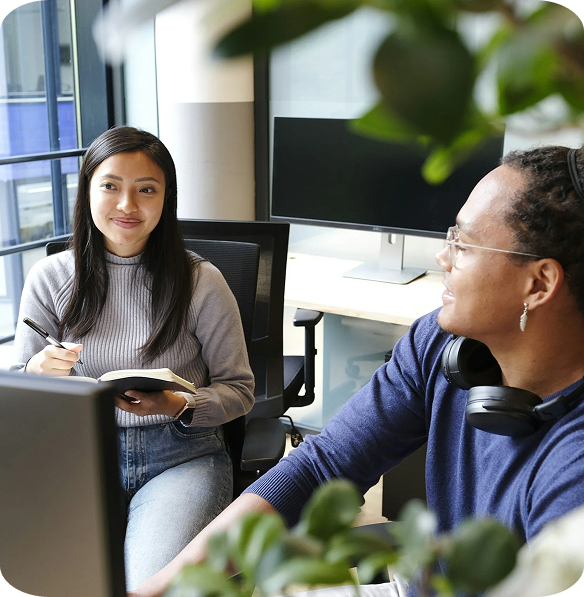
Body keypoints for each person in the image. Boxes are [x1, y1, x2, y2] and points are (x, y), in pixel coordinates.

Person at [131, 143, 584, 597]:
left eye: (462, 244)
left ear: (538, 283)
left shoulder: (574, 472)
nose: (442, 259)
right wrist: (165, 586)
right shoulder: (441, 345)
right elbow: (320, 467)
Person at [9, 126, 255, 591]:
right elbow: (20, 391)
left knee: (148, 586)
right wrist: (36, 372)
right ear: (87, 192)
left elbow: (240, 390)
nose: (128, 205)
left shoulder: (202, 282)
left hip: (179, 458)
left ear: (166, 200)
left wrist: (179, 404)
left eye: (147, 190)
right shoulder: (48, 278)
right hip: (75, 459)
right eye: (111, 186)